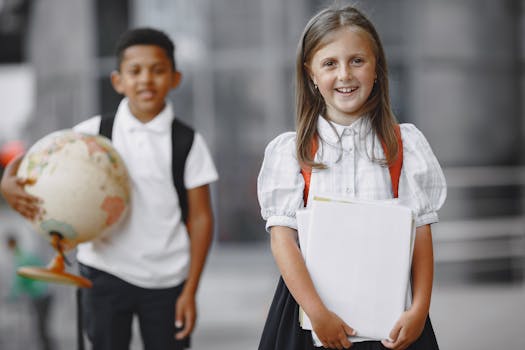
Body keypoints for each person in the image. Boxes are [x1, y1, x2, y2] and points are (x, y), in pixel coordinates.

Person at [0, 27, 218, 350]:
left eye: (158, 70)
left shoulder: (187, 141)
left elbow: (201, 219)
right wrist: (7, 181)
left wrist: (190, 290)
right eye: (135, 71)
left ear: (175, 78)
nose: (146, 79)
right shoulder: (93, 132)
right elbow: (37, 160)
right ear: (118, 81)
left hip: (167, 282)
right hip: (103, 275)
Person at [257, 4, 446, 350]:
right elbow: (282, 241)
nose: (344, 74)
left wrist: (419, 309)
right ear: (311, 74)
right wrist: (317, 313)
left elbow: (420, 234)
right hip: (310, 316)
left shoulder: (404, 145)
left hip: (391, 315)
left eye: (357, 60)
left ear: (377, 68)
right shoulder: (292, 152)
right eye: (330, 63)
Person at [5, 233, 54, 350]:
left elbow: (20, 282)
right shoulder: (25, 255)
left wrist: (11, 298)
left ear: (10, 245)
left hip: (40, 295)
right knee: (42, 327)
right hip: (44, 293)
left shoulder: (21, 258)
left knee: (41, 328)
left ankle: (48, 348)